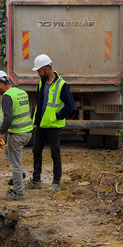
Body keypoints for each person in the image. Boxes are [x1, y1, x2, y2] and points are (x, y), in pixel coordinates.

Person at [28, 54, 74, 193]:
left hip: (53, 124)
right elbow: (41, 102)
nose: (38, 74)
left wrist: (57, 116)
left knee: (55, 153)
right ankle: (36, 180)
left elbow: (70, 106)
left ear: (47, 69)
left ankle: (56, 183)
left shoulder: (62, 85)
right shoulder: (42, 82)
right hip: (41, 124)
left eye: (40, 71)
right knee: (36, 150)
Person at [0, 70, 33, 200]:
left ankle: (19, 193)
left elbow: (8, 118)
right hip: (28, 133)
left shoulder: (7, 96)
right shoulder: (21, 92)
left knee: (15, 165)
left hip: (17, 135)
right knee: (8, 152)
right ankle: (21, 174)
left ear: (1, 84)